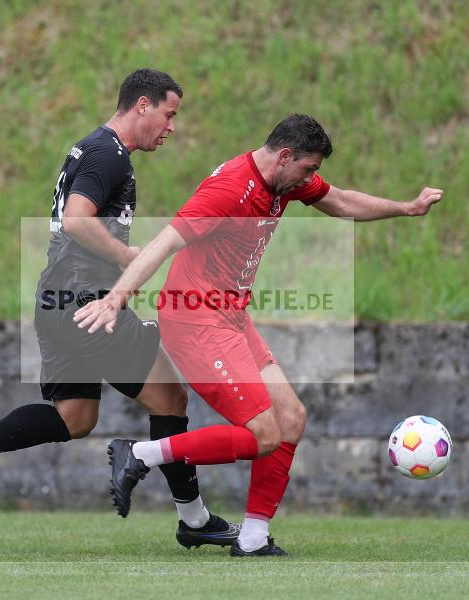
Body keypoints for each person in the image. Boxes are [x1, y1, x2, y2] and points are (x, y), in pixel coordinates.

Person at [73, 113, 443, 556]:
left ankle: (252, 539)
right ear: (285, 156)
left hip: (230, 316)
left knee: (291, 419)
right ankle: (140, 454)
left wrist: (407, 208)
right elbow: (163, 244)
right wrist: (117, 297)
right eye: (308, 168)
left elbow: (341, 201)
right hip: (194, 319)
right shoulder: (229, 189)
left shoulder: (285, 180)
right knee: (264, 435)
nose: (311, 178)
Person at [0, 68, 239, 550]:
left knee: (75, 417)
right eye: (169, 114)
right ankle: (193, 520)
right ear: (143, 106)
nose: (172, 127)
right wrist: (127, 257)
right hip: (85, 304)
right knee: (171, 399)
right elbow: (76, 220)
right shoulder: (108, 153)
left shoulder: (94, 148)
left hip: (56, 302)